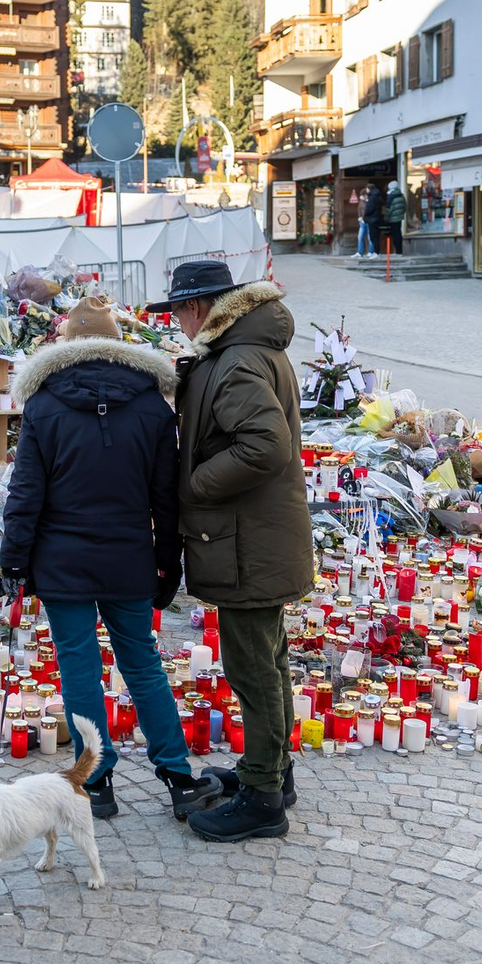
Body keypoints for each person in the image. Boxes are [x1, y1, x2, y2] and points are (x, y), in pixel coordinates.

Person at [0, 296, 223, 821]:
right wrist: (168, 562)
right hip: (129, 557)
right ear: (117, 345)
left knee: (79, 667)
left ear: (67, 346)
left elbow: (26, 493)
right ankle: (178, 776)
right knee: (142, 664)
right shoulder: (152, 405)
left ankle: (95, 783)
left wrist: (14, 562)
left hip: (62, 561)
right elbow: (165, 498)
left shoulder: (44, 404)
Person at [146, 262, 312, 843]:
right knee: (267, 660)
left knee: (253, 668)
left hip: (249, 542)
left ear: (199, 308)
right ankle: (271, 772)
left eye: (178, 312)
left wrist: (194, 485)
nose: (177, 323)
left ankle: (264, 799)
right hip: (254, 536)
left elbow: (265, 446)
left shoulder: (238, 359)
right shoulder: (243, 349)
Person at [361, 182, 382, 260]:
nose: (366, 190)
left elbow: (370, 208)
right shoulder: (377, 196)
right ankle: (376, 252)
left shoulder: (373, 197)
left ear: (369, 189)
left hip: (372, 219)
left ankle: (376, 252)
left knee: (373, 236)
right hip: (376, 218)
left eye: (367, 189)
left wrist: (365, 217)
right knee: (375, 236)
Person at [384, 180, 405, 255]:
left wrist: (386, 219)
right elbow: (405, 206)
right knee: (398, 234)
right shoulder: (401, 195)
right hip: (399, 218)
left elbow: (388, 209)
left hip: (392, 219)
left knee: (394, 235)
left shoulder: (390, 196)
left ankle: (397, 251)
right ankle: (400, 250)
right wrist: (401, 214)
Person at [354, 188, 375, 259]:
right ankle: (360, 252)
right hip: (362, 221)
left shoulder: (371, 200)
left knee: (370, 237)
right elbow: (359, 209)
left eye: (364, 195)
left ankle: (371, 252)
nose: (363, 196)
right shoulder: (361, 201)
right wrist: (359, 217)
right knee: (360, 237)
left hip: (369, 221)